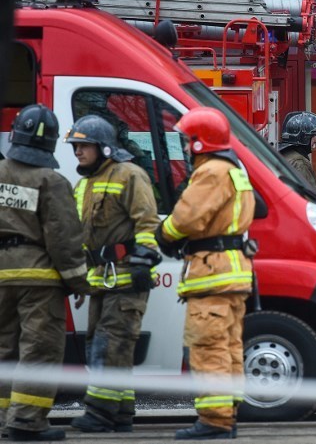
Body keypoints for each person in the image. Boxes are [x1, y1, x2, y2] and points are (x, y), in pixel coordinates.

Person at [155, 107, 255, 440]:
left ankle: (215, 420)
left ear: (201, 142)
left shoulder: (211, 171)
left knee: (208, 346)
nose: (185, 147)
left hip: (212, 271)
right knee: (228, 346)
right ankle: (227, 413)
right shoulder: (234, 170)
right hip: (233, 272)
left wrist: (163, 234)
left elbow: (186, 218)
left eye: (188, 141)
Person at [65, 115, 162, 434]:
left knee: (109, 345)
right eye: (75, 146)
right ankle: (121, 411)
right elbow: (80, 238)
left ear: (104, 147)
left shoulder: (130, 174)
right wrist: (78, 277)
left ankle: (99, 413)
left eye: (84, 146)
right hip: (99, 281)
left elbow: (147, 223)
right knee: (102, 344)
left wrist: (143, 261)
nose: (77, 151)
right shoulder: (84, 184)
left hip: (127, 278)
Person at [0, 104, 91, 442]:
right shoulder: (51, 181)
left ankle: (3, 418)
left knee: (3, 350)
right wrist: (78, 281)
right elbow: (63, 237)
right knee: (39, 350)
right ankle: (27, 422)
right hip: (39, 279)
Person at [278, 111, 316, 189]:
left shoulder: (283, 154)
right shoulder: (300, 163)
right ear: (303, 137)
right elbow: (308, 194)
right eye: (314, 135)